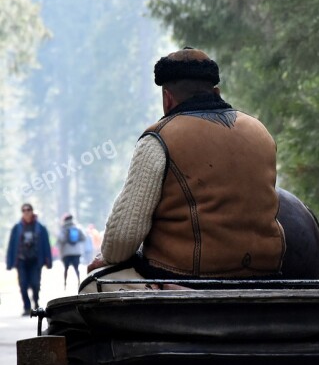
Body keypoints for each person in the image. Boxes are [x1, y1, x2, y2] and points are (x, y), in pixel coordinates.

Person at [85, 47, 285, 290]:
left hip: (183, 282)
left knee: (96, 280)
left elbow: (122, 238)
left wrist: (107, 256)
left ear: (167, 98)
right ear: (216, 91)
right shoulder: (260, 132)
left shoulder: (158, 138)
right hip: (264, 277)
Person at [6, 203, 52, 314]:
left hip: (36, 261)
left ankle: (36, 302)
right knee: (23, 284)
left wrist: (48, 260)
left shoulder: (40, 228)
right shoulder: (17, 228)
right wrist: (9, 262)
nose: (26, 212)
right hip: (21, 261)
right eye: (24, 210)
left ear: (32, 211)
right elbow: (12, 245)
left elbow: (46, 244)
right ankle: (27, 307)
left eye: (28, 210)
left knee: (35, 284)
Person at [56, 213, 90, 288]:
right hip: (76, 252)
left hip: (66, 252)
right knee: (76, 268)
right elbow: (84, 237)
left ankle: (65, 283)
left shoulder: (63, 229)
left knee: (66, 269)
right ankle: (79, 281)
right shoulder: (77, 227)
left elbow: (60, 240)